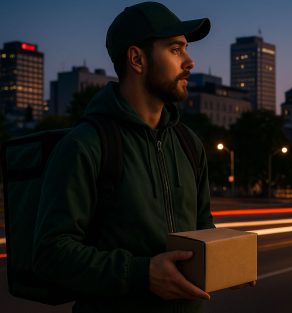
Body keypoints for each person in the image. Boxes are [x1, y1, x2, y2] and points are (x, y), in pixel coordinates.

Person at [32, 2, 215, 312]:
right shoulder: (86, 144)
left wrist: (224, 261)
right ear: (137, 59)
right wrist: (141, 274)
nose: (190, 62)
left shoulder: (189, 143)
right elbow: (51, 254)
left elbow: (202, 229)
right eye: (175, 50)